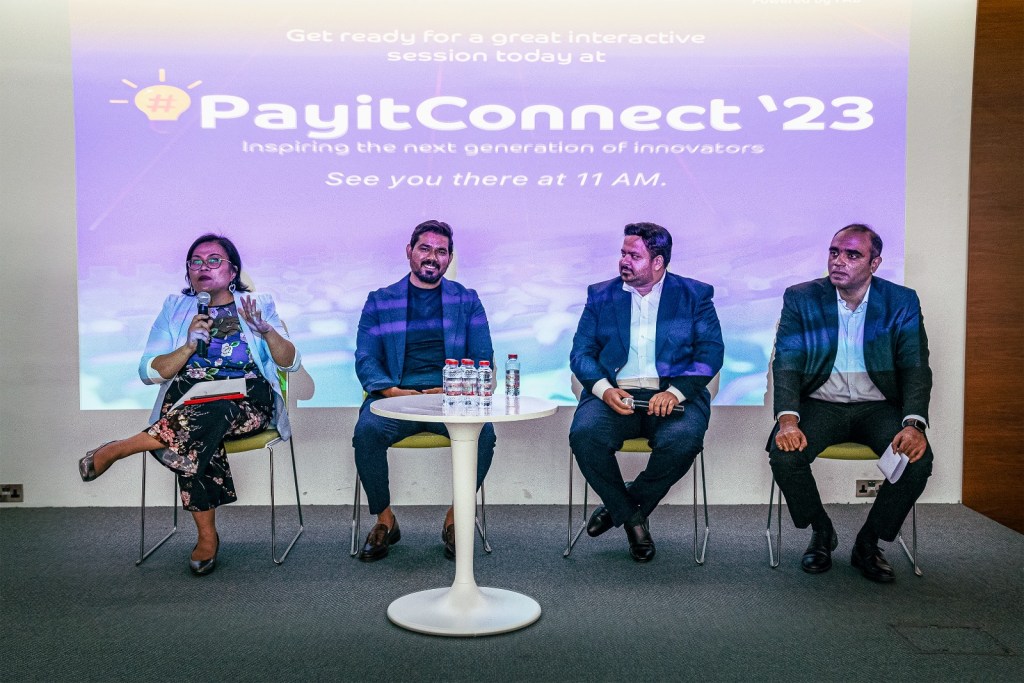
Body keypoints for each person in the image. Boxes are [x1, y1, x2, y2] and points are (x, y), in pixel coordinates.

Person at [79, 234, 300, 576]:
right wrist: (187, 347)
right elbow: (150, 371)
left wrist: (267, 332)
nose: (203, 267)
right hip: (188, 400)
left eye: (213, 260)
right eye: (195, 261)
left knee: (213, 411)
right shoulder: (175, 308)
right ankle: (206, 535)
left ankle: (123, 448)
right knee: (199, 427)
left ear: (232, 271)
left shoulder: (258, 304)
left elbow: (290, 363)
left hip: (247, 399)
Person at [768, 223, 933, 583]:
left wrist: (913, 424)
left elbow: (915, 367)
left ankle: (868, 542)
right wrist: (788, 420)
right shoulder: (801, 297)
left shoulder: (901, 301)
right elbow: (787, 362)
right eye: (834, 252)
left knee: (916, 460)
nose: (838, 261)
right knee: (784, 455)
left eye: (852, 254)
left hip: (878, 407)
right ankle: (821, 530)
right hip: (821, 404)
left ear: (874, 263)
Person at [569, 222, 724, 562]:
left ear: (658, 262)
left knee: (683, 440)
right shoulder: (600, 295)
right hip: (616, 395)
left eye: (634, 256)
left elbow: (710, 353)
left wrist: (677, 392)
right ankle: (634, 520)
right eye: (623, 253)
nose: (624, 261)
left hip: (671, 397)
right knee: (585, 435)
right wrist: (605, 390)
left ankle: (621, 506)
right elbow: (581, 354)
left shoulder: (695, 295)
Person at [352, 219, 496, 562]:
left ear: (449, 258)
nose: (432, 257)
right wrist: (393, 393)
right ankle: (385, 520)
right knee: (366, 432)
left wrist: (445, 392)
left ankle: (456, 518)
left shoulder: (467, 300)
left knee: (484, 434)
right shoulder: (380, 300)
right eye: (425, 248)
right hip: (394, 398)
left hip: (449, 400)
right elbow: (366, 358)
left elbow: (483, 359)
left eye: (441, 251)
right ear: (410, 252)